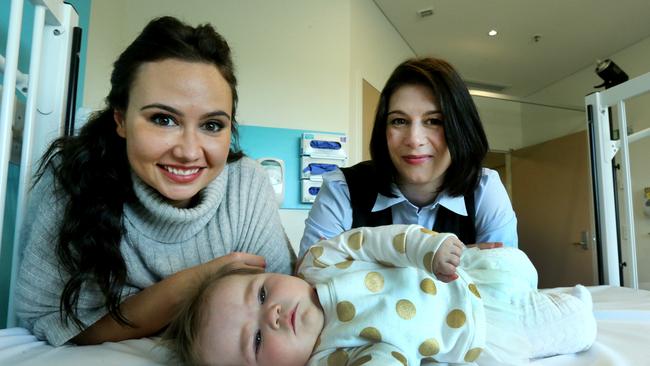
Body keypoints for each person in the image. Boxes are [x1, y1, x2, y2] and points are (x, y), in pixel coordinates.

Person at [14, 16, 294, 347]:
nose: (189, 152)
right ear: (120, 119)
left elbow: (288, 301)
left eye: (212, 125)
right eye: (163, 120)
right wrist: (189, 286)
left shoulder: (246, 187)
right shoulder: (74, 177)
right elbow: (46, 317)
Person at [165, 224, 596, 366]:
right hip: (479, 337)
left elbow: (374, 242)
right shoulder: (330, 357)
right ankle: (577, 301)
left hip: (462, 277)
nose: (273, 315)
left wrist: (424, 248)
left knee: (515, 263)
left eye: (260, 296)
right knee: (575, 327)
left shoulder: (319, 262)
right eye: (257, 341)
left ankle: (526, 281)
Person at [300, 57, 517, 257]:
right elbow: (312, 277)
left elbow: (503, 288)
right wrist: (458, 258)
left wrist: (356, 262)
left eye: (434, 121)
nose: (414, 140)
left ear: (460, 127)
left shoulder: (484, 188)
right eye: (399, 121)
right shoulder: (342, 187)